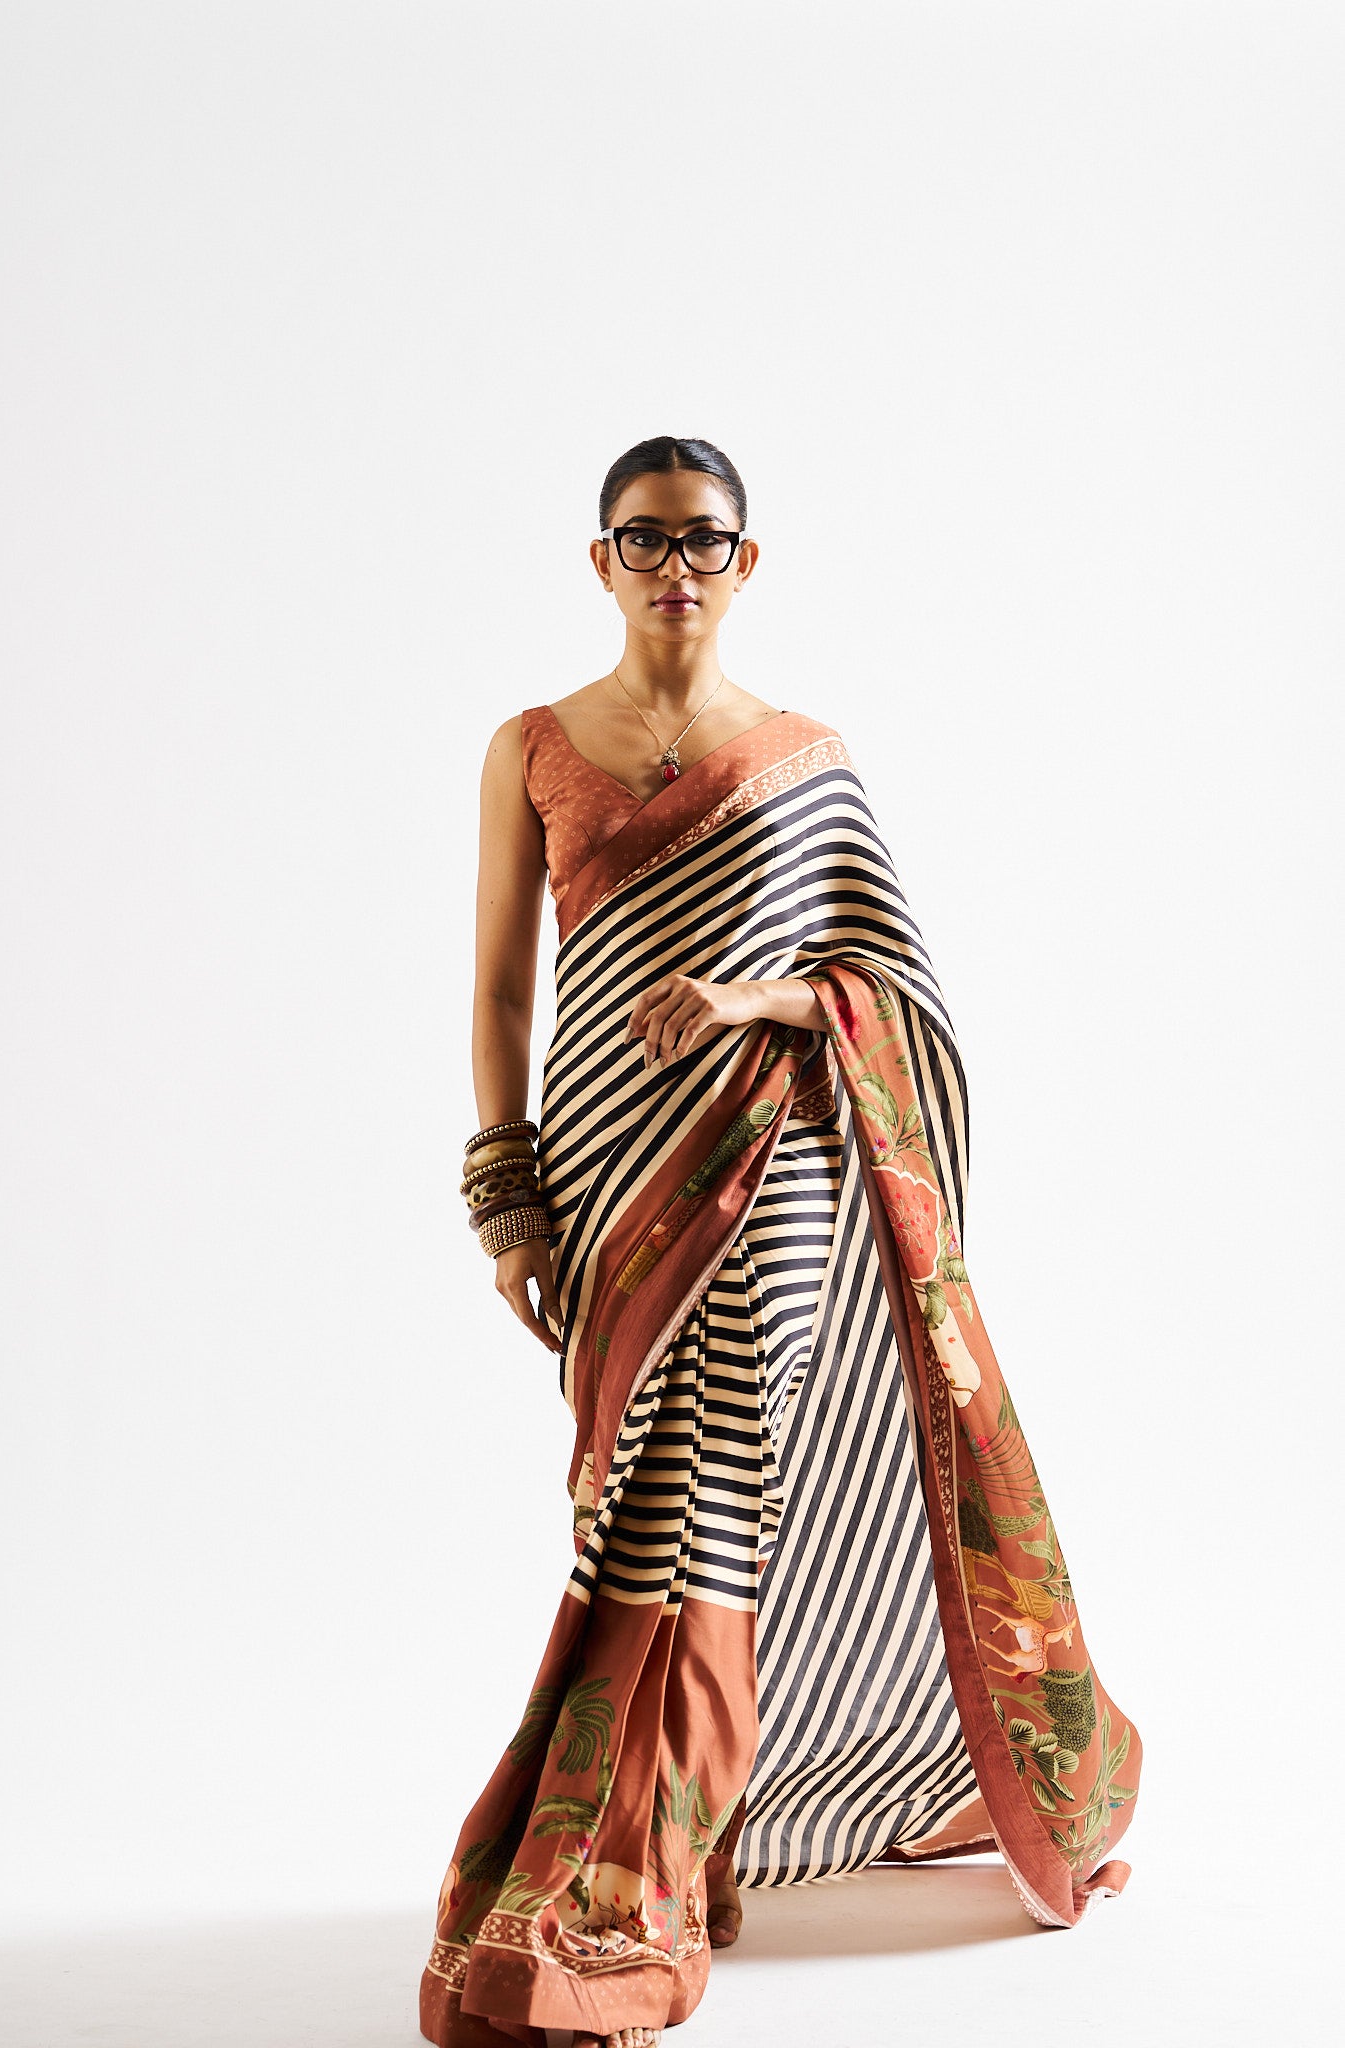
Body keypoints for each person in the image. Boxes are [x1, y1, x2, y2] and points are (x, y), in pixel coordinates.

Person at [419, 437, 1142, 2048]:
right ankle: (709, 1828)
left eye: (703, 540)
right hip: (606, 1176)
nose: (674, 566)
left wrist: (747, 996)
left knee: (705, 1494)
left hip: (780, 1158)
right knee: (634, 1502)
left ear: (745, 562)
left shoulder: (807, 759)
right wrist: (505, 1197)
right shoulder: (529, 747)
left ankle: (641, 1876)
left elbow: (889, 989)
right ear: (599, 559)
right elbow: (499, 989)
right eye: (644, 538)